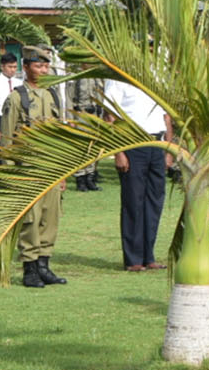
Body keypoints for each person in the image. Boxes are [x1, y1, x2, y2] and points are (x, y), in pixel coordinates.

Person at [1, 46, 68, 287]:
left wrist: (63, 172)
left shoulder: (53, 95)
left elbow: (60, 134)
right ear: (26, 67)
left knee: (50, 218)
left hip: (50, 167)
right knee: (30, 219)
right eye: (38, 66)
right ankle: (29, 267)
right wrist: (9, 173)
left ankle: (44, 264)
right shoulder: (17, 97)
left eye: (45, 66)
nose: (43, 70)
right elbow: (7, 139)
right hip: (26, 169)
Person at [104, 77, 172, 272]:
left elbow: (166, 116)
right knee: (134, 202)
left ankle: (148, 256)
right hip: (132, 144)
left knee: (154, 202)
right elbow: (110, 117)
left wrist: (168, 150)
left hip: (157, 144)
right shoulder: (119, 79)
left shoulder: (156, 76)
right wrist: (118, 152)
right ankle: (133, 259)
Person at [69, 69, 104, 190]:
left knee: (93, 147)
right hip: (81, 114)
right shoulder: (76, 76)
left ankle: (90, 177)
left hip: (95, 115)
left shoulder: (98, 76)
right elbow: (69, 98)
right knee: (81, 148)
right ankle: (80, 179)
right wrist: (71, 119)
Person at [0, 53, 22, 164]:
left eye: (15, 67)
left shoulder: (19, 83)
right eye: (9, 67)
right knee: (2, 153)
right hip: (1, 119)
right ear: (2, 67)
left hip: (17, 120)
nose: (12, 70)